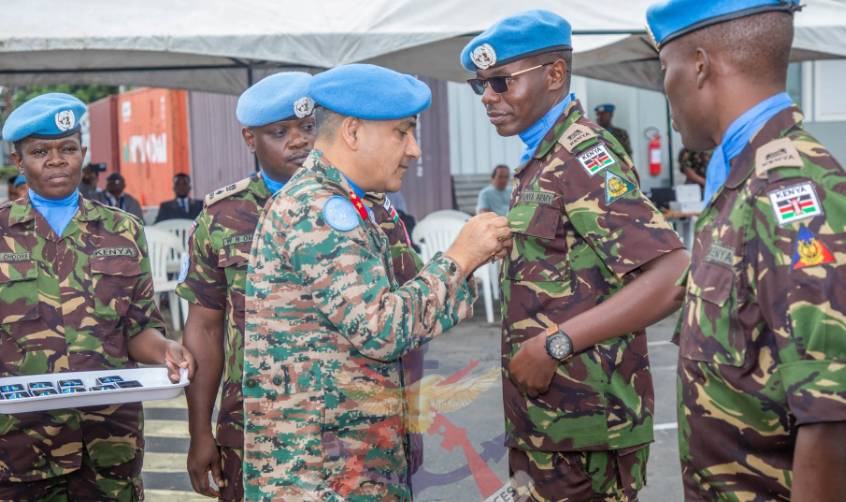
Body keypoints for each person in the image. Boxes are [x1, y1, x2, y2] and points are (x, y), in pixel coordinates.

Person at [242, 63, 511, 502]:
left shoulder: (346, 201)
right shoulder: (318, 209)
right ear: (352, 132)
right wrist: (460, 258)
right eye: (402, 133)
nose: (414, 150)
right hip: (322, 473)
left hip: (344, 461)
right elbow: (382, 329)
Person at [461, 10, 690, 501]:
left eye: (501, 81)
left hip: (587, 427)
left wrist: (555, 345)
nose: (487, 96)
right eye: (479, 84)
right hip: (549, 425)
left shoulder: (582, 156)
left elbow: (672, 274)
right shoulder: (541, 158)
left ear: (555, 75)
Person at [647, 1, 846, 500]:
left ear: (698, 65)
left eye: (663, 69)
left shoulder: (788, 187)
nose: (665, 89)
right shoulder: (743, 178)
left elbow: (830, 413)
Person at [0, 92, 196, 501]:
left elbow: (139, 327)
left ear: (83, 153)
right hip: (20, 447)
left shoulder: (122, 230)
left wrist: (166, 350)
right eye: (40, 151)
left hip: (109, 445)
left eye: (67, 148)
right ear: (19, 162)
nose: (56, 160)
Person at [176, 72, 316, 502]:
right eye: (279, 132)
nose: (299, 141)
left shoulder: (357, 205)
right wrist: (200, 433)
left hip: (344, 430)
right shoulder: (221, 217)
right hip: (250, 433)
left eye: (308, 127)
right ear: (250, 140)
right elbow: (204, 329)